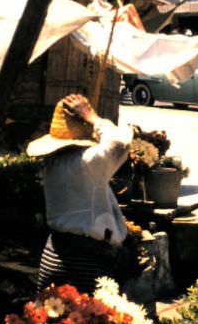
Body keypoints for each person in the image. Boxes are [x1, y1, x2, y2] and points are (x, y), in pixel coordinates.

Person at [26, 93, 131, 294]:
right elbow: (120, 143)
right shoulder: (85, 162)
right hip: (84, 261)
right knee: (88, 313)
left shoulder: (52, 164)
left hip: (55, 252)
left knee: (52, 311)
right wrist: (92, 117)